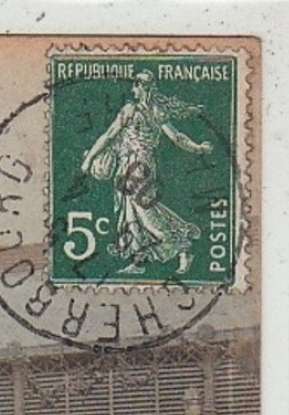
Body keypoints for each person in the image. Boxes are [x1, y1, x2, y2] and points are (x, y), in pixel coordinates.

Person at [78, 70, 215, 276]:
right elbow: (177, 137)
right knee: (130, 213)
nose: (133, 90)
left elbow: (108, 136)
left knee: (145, 212)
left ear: (141, 88)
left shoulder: (131, 109)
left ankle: (182, 245)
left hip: (137, 166)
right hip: (135, 164)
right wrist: (198, 148)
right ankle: (138, 261)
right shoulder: (157, 111)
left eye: (135, 86)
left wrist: (88, 160)